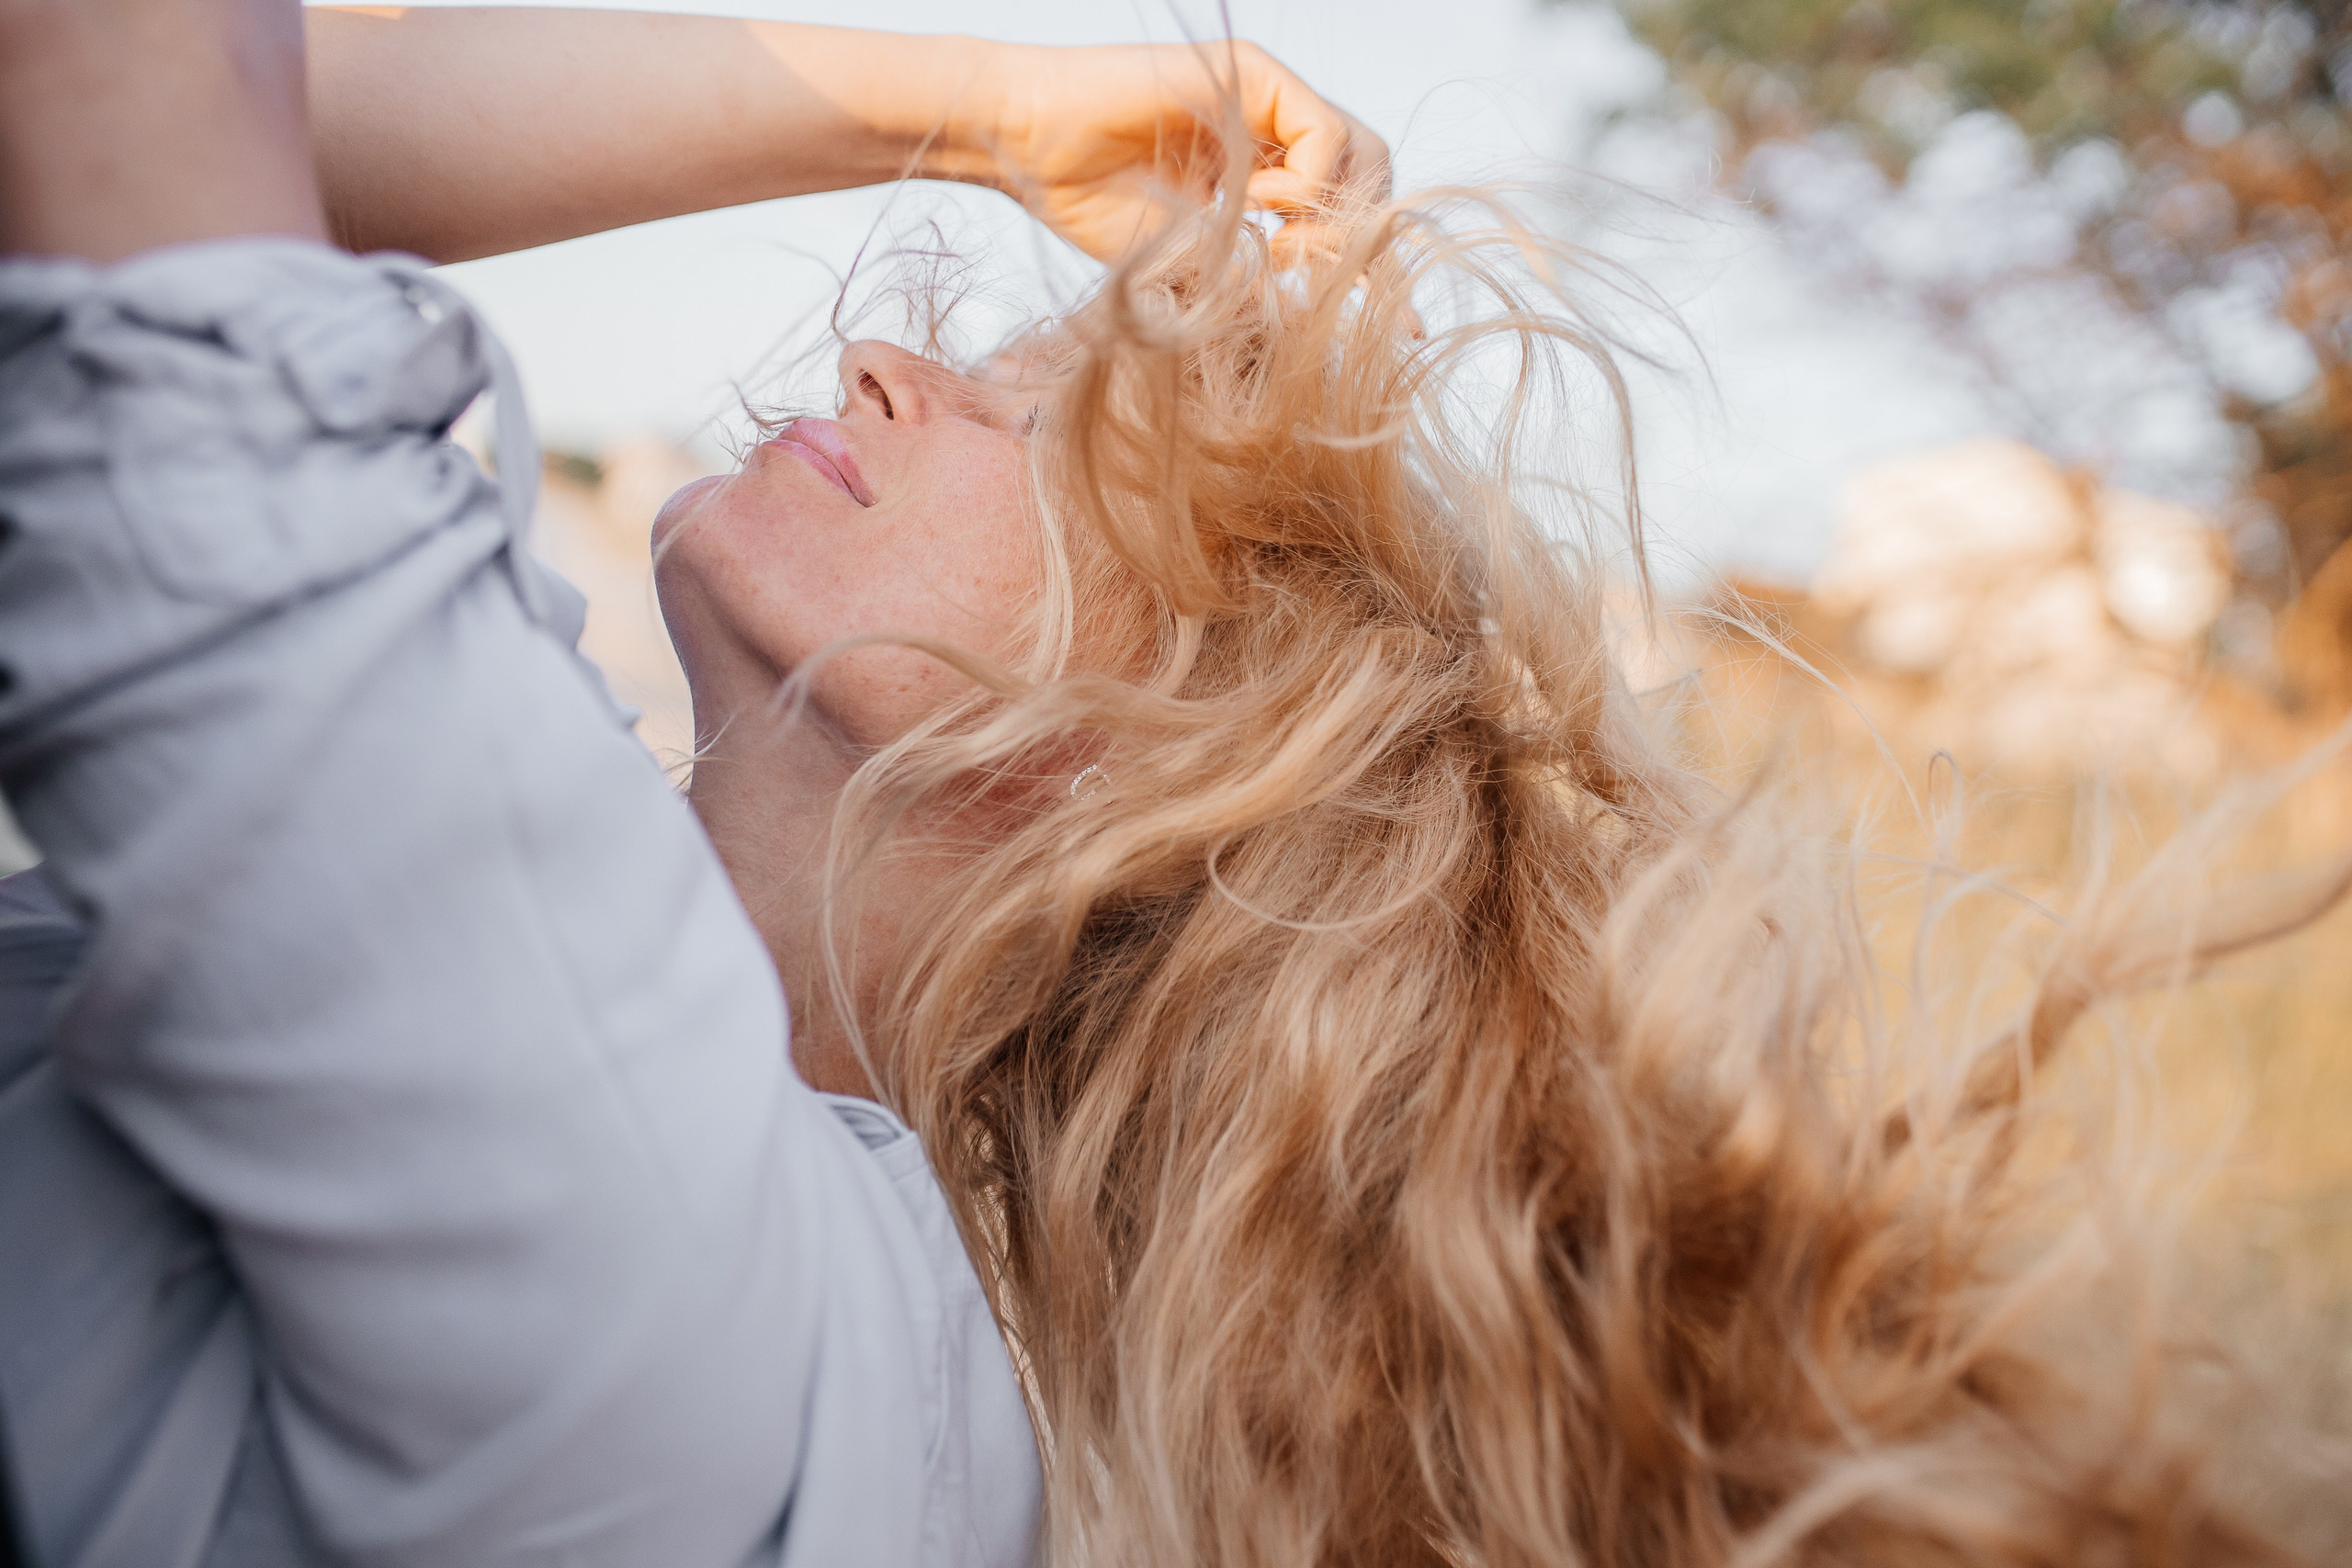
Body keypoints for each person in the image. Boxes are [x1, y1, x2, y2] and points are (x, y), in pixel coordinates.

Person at [5, 4, 2347, 1568]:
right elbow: (148, 172)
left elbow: (115, 122)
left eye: (1045, 440)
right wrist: (980, 113)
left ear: (1128, 767)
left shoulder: (664, 1245)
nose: (896, 360)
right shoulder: (718, 1139)